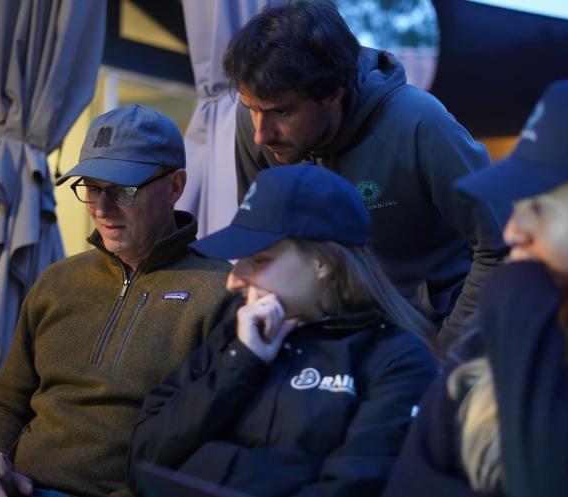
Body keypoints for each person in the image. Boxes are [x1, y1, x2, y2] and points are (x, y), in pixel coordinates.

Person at [382, 74, 568, 497]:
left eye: (538, 208)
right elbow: (407, 484)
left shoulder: (521, 310)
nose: (514, 231)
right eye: (515, 208)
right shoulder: (488, 341)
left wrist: (519, 294)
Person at [0, 105, 236, 497]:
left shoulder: (221, 292)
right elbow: (6, 401)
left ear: (175, 186)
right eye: (91, 188)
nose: (102, 209)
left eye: (123, 190)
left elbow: (214, 442)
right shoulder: (57, 281)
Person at [127, 165, 440, 497]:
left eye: (258, 261)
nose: (233, 281)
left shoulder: (395, 359)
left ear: (324, 263)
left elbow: (356, 485)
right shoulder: (239, 336)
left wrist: (211, 462)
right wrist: (241, 364)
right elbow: (143, 461)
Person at [222, 1, 508, 349]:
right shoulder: (257, 118)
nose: (261, 135)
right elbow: (260, 241)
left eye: (281, 111)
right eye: (252, 108)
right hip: (322, 333)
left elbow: (499, 247)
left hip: (426, 332)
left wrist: (445, 356)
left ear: (333, 95)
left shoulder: (419, 124)